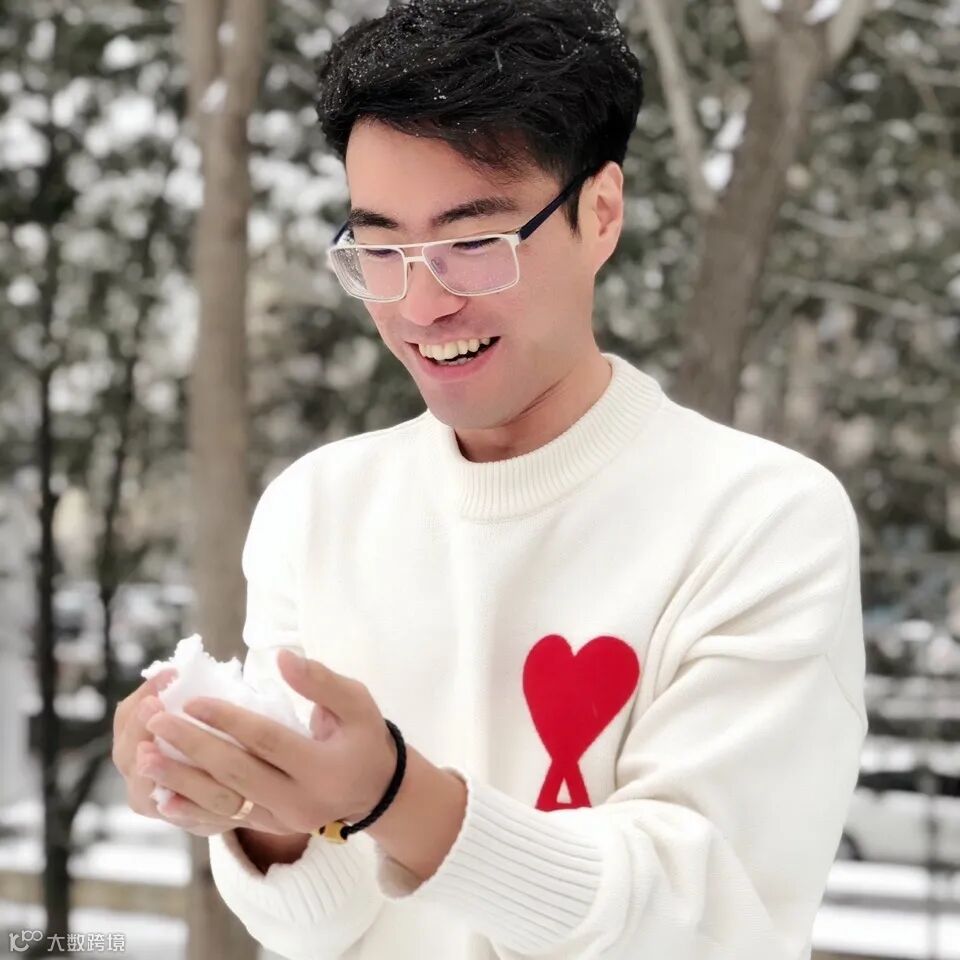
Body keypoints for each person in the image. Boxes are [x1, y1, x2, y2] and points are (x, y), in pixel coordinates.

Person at [111, 1, 867, 958]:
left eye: (474, 242)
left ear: (601, 213)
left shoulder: (760, 520)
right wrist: (259, 810)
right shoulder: (319, 506)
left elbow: (704, 924)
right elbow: (320, 929)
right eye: (381, 248)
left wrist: (392, 795)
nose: (422, 304)